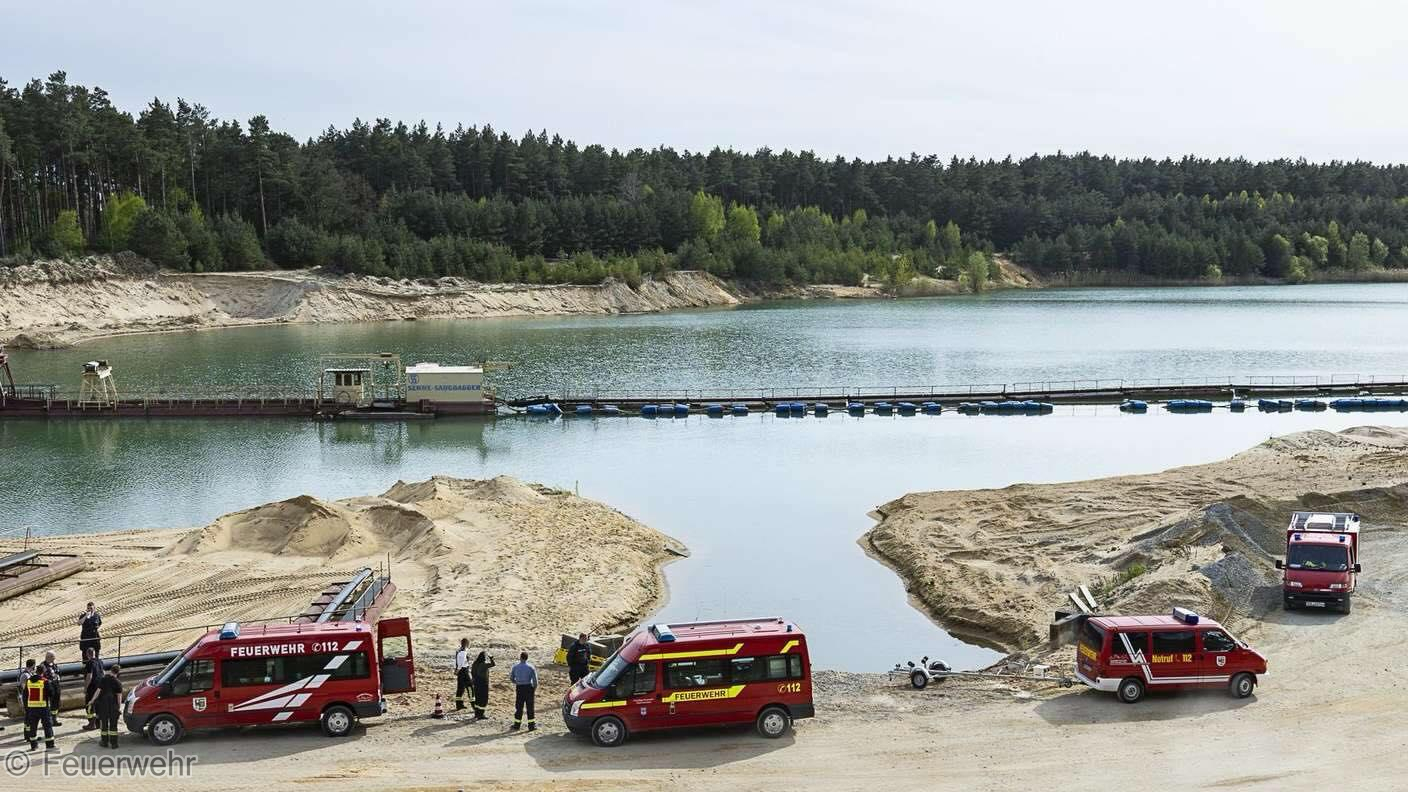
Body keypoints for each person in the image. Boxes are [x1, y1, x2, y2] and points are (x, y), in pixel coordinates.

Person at [22, 659, 56, 751]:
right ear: (43, 672)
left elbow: (25, 696)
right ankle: (50, 745)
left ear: (36, 671)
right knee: (47, 727)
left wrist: (27, 708)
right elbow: (52, 694)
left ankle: (34, 746)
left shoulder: (28, 682)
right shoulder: (45, 681)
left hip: (32, 709)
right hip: (43, 708)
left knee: (33, 728)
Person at [89, 663, 124, 749]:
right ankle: (114, 744)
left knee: (104, 724)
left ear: (111, 670)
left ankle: (104, 742)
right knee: (113, 725)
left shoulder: (103, 679)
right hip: (113, 705)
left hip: (103, 705)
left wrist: (92, 700)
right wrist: (118, 707)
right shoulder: (118, 682)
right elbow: (119, 697)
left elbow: (98, 691)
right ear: (118, 672)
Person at [508, 651, 537, 732]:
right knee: (530, 707)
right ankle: (531, 726)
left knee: (519, 707)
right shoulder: (531, 667)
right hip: (528, 688)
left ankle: (517, 725)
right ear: (527, 658)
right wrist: (533, 689)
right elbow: (535, 681)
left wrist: (517, 682)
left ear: (520, 657)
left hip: (519, 688)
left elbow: (511, 678)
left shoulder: (515, 667)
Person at [82, 646, 104, 731]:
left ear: (88, 654)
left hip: (92, 687)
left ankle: (91, 724)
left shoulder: (89, 663)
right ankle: (98, 723)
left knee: (90, 705)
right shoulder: (100, 661)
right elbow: (103, 673)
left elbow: (89, 676)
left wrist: (85, 687)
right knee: (98, 705)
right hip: (100, 687)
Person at [470, 650, 494, 720]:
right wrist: (491, 658)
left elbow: (472, 672)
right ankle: (481, 714)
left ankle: (476, 713)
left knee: (477, 698)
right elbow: (493, 664)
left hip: (476, 683)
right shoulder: (483, 664)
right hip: (483, 684)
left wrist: (474, 679)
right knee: (483, 699)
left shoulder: (475, 663)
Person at [41, 650, 62, 726]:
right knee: (48, 704)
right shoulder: (42, 666)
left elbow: (58, 673)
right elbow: (41, 677)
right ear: (48, 657)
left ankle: (54, 719)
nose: (54, 659)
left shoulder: (54, 664)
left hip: (56, 685)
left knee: (56, 703)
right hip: (48, 687)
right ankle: (47, 721)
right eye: (53, 657)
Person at [453, 638, 471, 711]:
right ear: (466, 643)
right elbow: (461, 662)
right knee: (469, 687)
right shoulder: (463, 651)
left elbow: (456, 661)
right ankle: (473, 704)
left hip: (462, 670)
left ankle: (459, 704)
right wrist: (457, 670)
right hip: (463, 671)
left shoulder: (460, 650)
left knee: (461, 688)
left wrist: (456, 669)